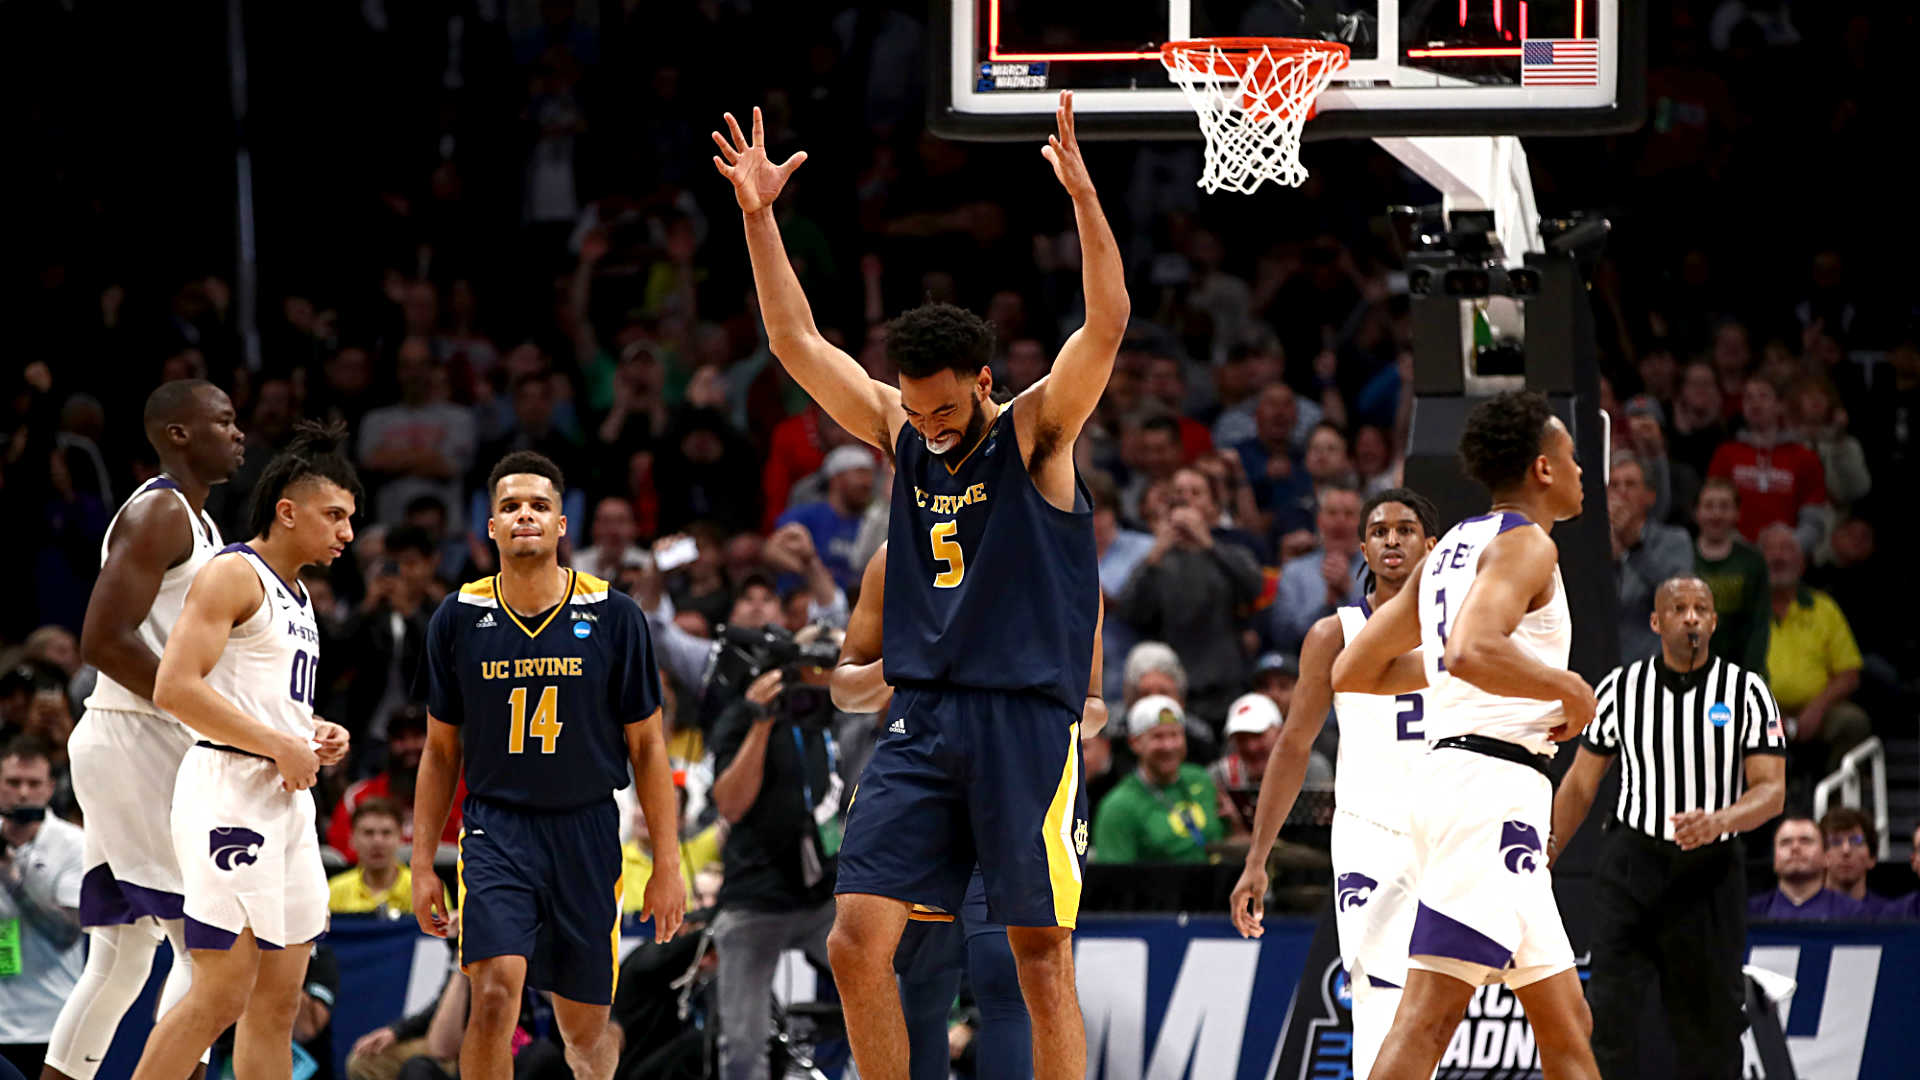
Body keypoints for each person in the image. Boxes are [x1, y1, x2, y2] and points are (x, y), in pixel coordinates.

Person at [717, 91, 1122, 1080]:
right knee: (857, 942)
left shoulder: (1035, 434)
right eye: (920, 411)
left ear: (984, 381)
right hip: (926, 717)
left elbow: (1105, 323)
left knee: (1038, 958)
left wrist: (1083, 199)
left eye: (948, 411)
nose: (932, 427)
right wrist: (759, 219)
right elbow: (796, 345)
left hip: (1024, 718)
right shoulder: (902, 430)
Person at [1331, 390, 1600, 1079]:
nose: (1581, 470)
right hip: (1490, 792)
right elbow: (1474, 649)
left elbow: (1356, 668)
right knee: (1426, 1020)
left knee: (1567, 1018)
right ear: (1543, 468)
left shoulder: (1452, 546)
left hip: (1466, 785)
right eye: (1573, 457)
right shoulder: (1526, 543)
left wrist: (1453, 667)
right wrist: (1566, 686)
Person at [410, 451, 687, 1080]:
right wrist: (423, 863)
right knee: (495, 995)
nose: (525, 515)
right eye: (510, 506)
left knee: (585, 1033)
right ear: (491, 526)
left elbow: (647, 748)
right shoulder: (457, 617)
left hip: (588, 829)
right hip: (496, 829)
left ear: (563, 525)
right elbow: (439, 751)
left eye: (539, 505)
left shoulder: (615, 614)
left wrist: (667, 865)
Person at [126, 421, 360, 1080]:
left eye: (351, 519)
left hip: (285, 800)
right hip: (228, 789)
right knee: (221, 994)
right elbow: (174, 687)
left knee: (278, 1002)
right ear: (288, 511)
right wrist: (277, 744)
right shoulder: (232, 572)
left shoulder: (301, 595)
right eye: (334, 515)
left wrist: (314, 730)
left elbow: (260, 697)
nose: (347, 532)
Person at [831, 543, 1108, 1080]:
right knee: (902, 968)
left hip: (1022, 770)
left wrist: (1044, 700)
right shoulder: (896, 556)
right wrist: (909, 662)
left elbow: (1094, 705)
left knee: (1013, 970)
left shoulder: (1058, 554)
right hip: (923, 760)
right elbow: (845, 688)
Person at [44, 379, 245, 1080]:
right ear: (178, 434)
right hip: (136, 733)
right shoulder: (159, 511)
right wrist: (192, 705)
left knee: (123, 954)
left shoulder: (203, 523)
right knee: (205, 948)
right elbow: (101, 639)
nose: (239, 432)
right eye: (223, 421)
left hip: (135, 736)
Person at [1229, 487, 1439, 1079]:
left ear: (1431, 544)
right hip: (1370, 831)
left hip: (1447, 829)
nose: (1392, 539)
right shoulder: (1333, 634)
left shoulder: (1462, 629)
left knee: (1439, 998)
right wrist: (1257, 857)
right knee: (1375, 989)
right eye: (1379, 531)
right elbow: (1293, 748)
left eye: (1405, 529)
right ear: (1363, 548)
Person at [1550, 575, 1787, 1080]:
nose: (1692, 617)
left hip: (1710, 872)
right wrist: (1545, 851)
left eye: (1701, 608)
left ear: (1715, 621)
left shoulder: (1747, 693)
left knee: (1714, 1023)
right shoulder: (1621, 688)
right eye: (1678, 608)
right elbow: (1579, 784)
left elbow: (1772, 791)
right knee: (1609, 1013)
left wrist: (1720, 820)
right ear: (1657, 622)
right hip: (1632, 863)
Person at [702, 627, 844, 1080]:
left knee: (887, 991)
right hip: (754, 900)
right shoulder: (740, 718)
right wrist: (761, 721)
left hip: (820, 895)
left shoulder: (822, 713)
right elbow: (729, 804)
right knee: (743, 1047)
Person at [1112, 466, 1263, 723]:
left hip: (1226, 683)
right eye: (1179, 493)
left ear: (1213, 506)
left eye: (1196, 493)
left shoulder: (1231, 551)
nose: (1186, 499)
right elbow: (1129, 612)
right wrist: (1156, 554)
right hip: (1174, 686)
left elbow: (1253, 588)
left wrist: (1208, 544)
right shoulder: (1155, 559)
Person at [0, 737, 85, 1080]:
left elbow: (66, 932)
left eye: (33, 784)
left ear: (50, 787)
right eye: (13, 782)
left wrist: (13, 880)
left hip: (54, 1022)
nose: (23, 793)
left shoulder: (75, 844)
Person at [1759, 523, 1871, 777]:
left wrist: (1817, 708)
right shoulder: (1744, 613)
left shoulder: (1824, 608)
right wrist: (1772, 713)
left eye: (1786, 550)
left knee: (1853, 722)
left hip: (1818, 712)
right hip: (1762, 713)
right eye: (1770, 551)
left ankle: (1834, 808)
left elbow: (1850, 674)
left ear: (1802, 563)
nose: (1777, 557)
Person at [1091, 696, 1223, 864]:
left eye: (1175, 735)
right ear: (1135, 743)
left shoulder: (1202, 780)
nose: (1168, 746)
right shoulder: (1118, 807)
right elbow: (1114, 882)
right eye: (1158, 737)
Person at [1609, 453, 1694, 662]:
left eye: (1630, 485)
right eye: (1614, 485)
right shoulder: (1593, 544)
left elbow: (1680, 599)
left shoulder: (1674, 541)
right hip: (1600, 671)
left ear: (1650, 496)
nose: (1621, 493)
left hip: (1652, 669)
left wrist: (1635, 547)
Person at [1267, 485, 1366, 652]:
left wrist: (1348, 596)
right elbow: (1283, 636)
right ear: (1320, 521)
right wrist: (1327, 605)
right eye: (1332, 513)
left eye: (1349, 514)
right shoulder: (1294, 572)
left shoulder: (1380, 572)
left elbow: (1386, 634)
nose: (1340, 521)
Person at [1692, 478, 1770, 676]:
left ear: (1737, 514)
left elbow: (1759, 623)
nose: (1716, 514)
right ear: (1697, 513)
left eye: (1725, 507)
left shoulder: (1753, 562)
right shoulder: (1682, 556)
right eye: (1709, 506)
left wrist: (1750, 673)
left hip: (1739, 668)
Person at [1748, 816, 1871, 920]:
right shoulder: (1748, 913)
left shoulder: (1855, 913)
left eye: (1805, 841)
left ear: (1826, 857)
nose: (1795, 848)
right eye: (1785, 842)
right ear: (1775, 858)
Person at [327, 799, 412, 916]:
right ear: (352, 839)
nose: (377, 841)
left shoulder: (427, 891)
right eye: (368, 833)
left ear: (401, 838)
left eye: (386, 833)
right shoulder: (333, 891)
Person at [1816, 806, 1890, 911]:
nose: (1846, 850)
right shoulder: (1803, 914)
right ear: (1821, 856)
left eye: (1856, 841)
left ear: (1872, 858)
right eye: (1835, 841)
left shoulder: (1889, 915)